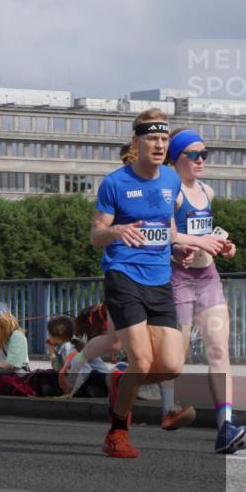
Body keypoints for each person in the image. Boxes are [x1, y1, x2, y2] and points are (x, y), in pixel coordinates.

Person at [90, 109, 224, 457]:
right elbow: (96, 235)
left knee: (172, 366)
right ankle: (117, 432)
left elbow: (168, 229)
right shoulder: (115, 183)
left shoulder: (170, 180)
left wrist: (178, 247)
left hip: (160, 279)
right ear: (136, 141)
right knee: (142, 361)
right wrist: (116, 230)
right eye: (152, 138)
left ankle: (123, 382)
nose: (160, 145)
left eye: (164, 138)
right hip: (124, 275)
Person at [164, 127, 244, 453]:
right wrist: (176, 250)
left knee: (219, 351)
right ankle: (164, 405)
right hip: (178, 280)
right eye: (193, 154)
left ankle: (225, 426)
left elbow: (207, 234)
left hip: (208, 277)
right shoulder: (171, 193)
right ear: (176, 158)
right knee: (174, 359)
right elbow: (166, 235)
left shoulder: (207, 192)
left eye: (204, 154)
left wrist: (225, 246)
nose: (200, 160)